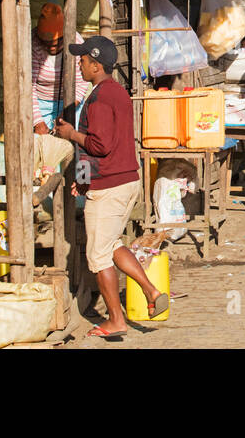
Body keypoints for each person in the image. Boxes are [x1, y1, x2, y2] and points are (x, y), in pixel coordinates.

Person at [55, 36, 168, 338]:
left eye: (82, 60)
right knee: (113, 244)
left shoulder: (101, 98)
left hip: (110, 188)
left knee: (99, 256)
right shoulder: (115, 91)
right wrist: (83, 179)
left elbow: (99, 145)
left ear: (95, 64)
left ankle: (116, 320)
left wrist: (69, 134)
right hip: (123, 180)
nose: (79, 64)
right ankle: (151, 291)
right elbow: (107, 146)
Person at [31, 2, 91, 134]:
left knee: (72, 140)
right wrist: (37, 121)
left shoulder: (77, 44)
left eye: (57, 42)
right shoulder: (32, 44)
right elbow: (29, 87)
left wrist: (66, 112)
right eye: (46, 43)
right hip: (39, 104)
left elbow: (81, 83)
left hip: (70, 103)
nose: (52, 47)